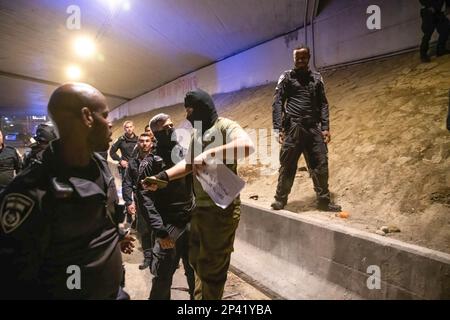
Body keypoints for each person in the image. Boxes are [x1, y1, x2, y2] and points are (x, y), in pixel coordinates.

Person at [0, 83, 134, 299]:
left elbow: (96, 220)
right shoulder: (31, 191)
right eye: (105, 115)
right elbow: (13, 280)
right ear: (87, 117)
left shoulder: (99, 165)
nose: (110, 124)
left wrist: (117, 234)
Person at [143, 89, 254, 300]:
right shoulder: (197, 133)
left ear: (203, 107)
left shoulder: (225, 126)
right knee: (196, 262)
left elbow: (247, 146)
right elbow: (188, 164)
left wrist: (211, 153)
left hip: (221, 209)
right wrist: (163, 177)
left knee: (212, 269)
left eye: (190, 110)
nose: (187, 116)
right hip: (200, 208)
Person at [271, 46, 341, 212]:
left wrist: (325, 127)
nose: (300, 60)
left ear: (309, 57)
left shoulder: (316, 78)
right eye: (298, 58)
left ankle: (324, 201)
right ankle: (280, 199)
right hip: (293, 128)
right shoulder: (286, 78)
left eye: (304, 57)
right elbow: (278, 103)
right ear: (293, 59)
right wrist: (277, 128)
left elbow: (323, 103)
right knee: (287, 165)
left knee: (320, 164)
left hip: (313, 129)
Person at [142, 113, 195, 300]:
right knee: (163, 276)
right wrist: (160, 231)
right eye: (166, 128)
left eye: (172, 125)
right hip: (169, 227)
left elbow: (193, 185)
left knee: (194, 272)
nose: (172, 129)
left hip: (190, 222)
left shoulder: (183, 153)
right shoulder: (150, 163)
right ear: (156, 133)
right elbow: (145, 200)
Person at [122, 132, 155, 270]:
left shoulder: (157, 160)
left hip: (157, 201)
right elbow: (127, 183)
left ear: (151, 143)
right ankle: (148, 258)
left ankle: (163, 257)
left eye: (147, 141)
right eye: (141, 141)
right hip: (141, 201)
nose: (144, 143)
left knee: (159, 229)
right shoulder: (133, 163)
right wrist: (129, 202)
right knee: (144, 230)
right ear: (138, 143)